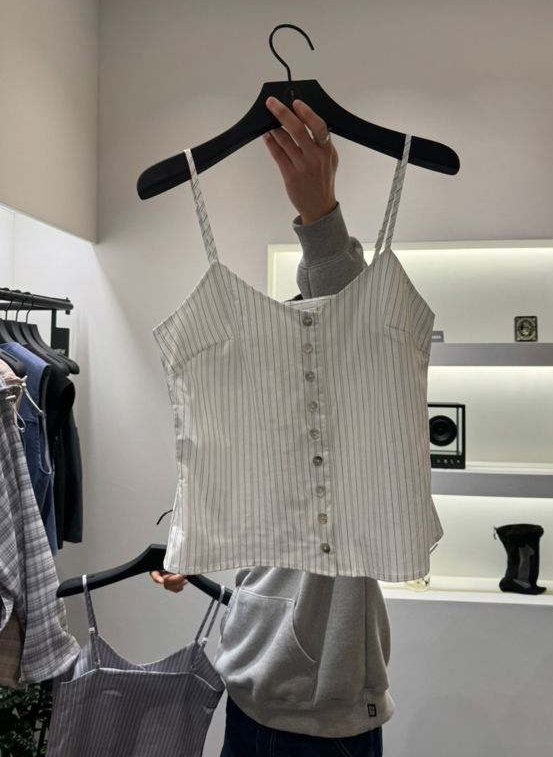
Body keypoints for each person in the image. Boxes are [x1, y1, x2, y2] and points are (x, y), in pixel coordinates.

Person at [151, 96, 390, 757]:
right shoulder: (274, 426)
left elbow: (346, 320)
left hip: (323, 711)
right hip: (247, 684)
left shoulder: (344, 409)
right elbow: (256, 510)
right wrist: (195, 544)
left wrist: (321, 217)